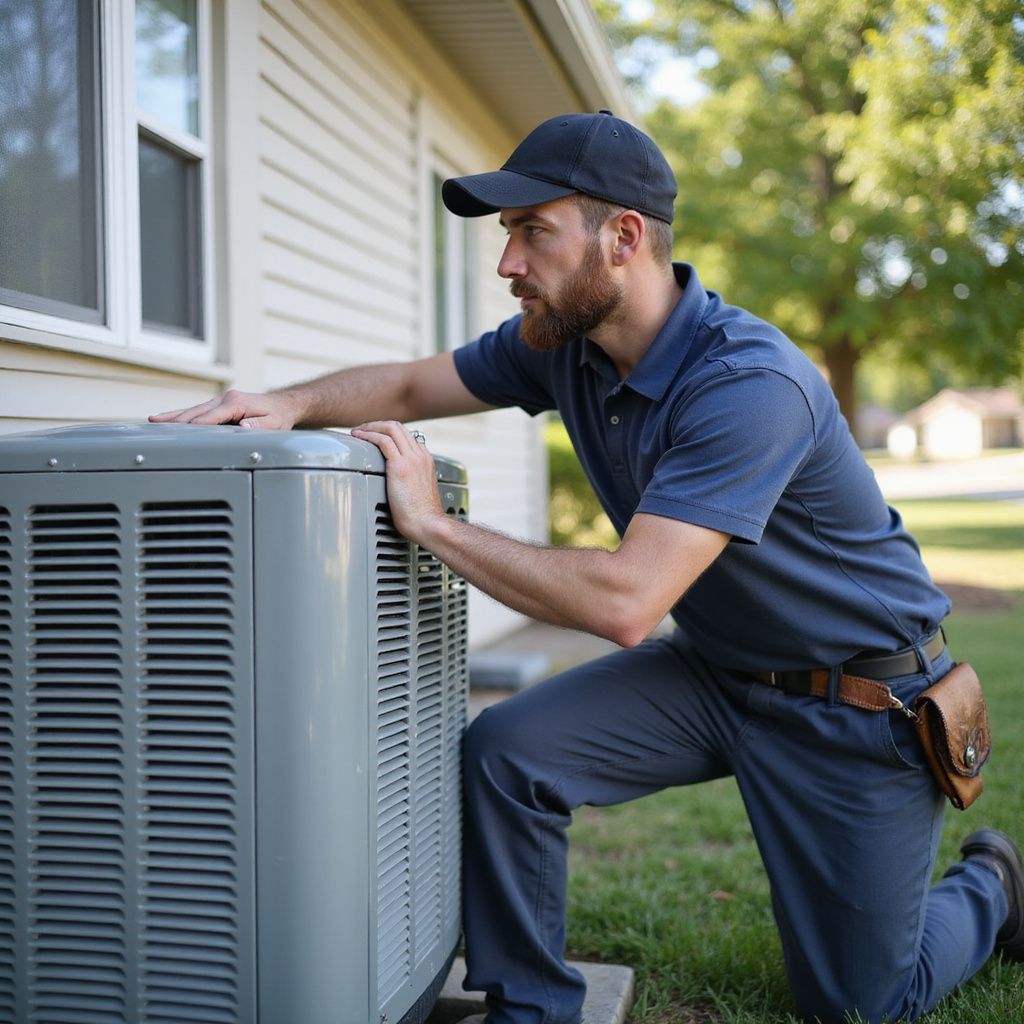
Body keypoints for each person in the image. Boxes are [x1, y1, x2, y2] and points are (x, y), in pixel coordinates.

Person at [151, 110, 1023, 1024]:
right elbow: (413, 386)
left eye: (534, 232)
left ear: (624, 237)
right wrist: (287, 403)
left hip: (855, 704)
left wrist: (436, 526)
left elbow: (625, 602)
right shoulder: (565, 348)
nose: (507, 265)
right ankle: (533, 1010)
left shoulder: (749, 385)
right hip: (720, 673)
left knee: (859, 1007)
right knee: (509, 751)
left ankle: (992, 883)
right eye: (507, 236)